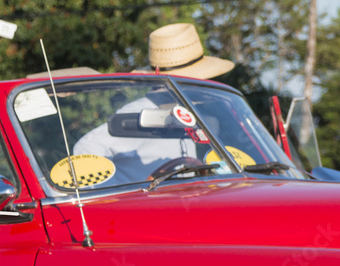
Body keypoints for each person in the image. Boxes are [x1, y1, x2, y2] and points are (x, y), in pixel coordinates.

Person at [71, 23, 235, 182]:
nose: (201, 85)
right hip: (144, 206)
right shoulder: (139, 113)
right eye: (199, 80)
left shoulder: (186, 111)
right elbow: (84, 149)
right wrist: (120, 194)